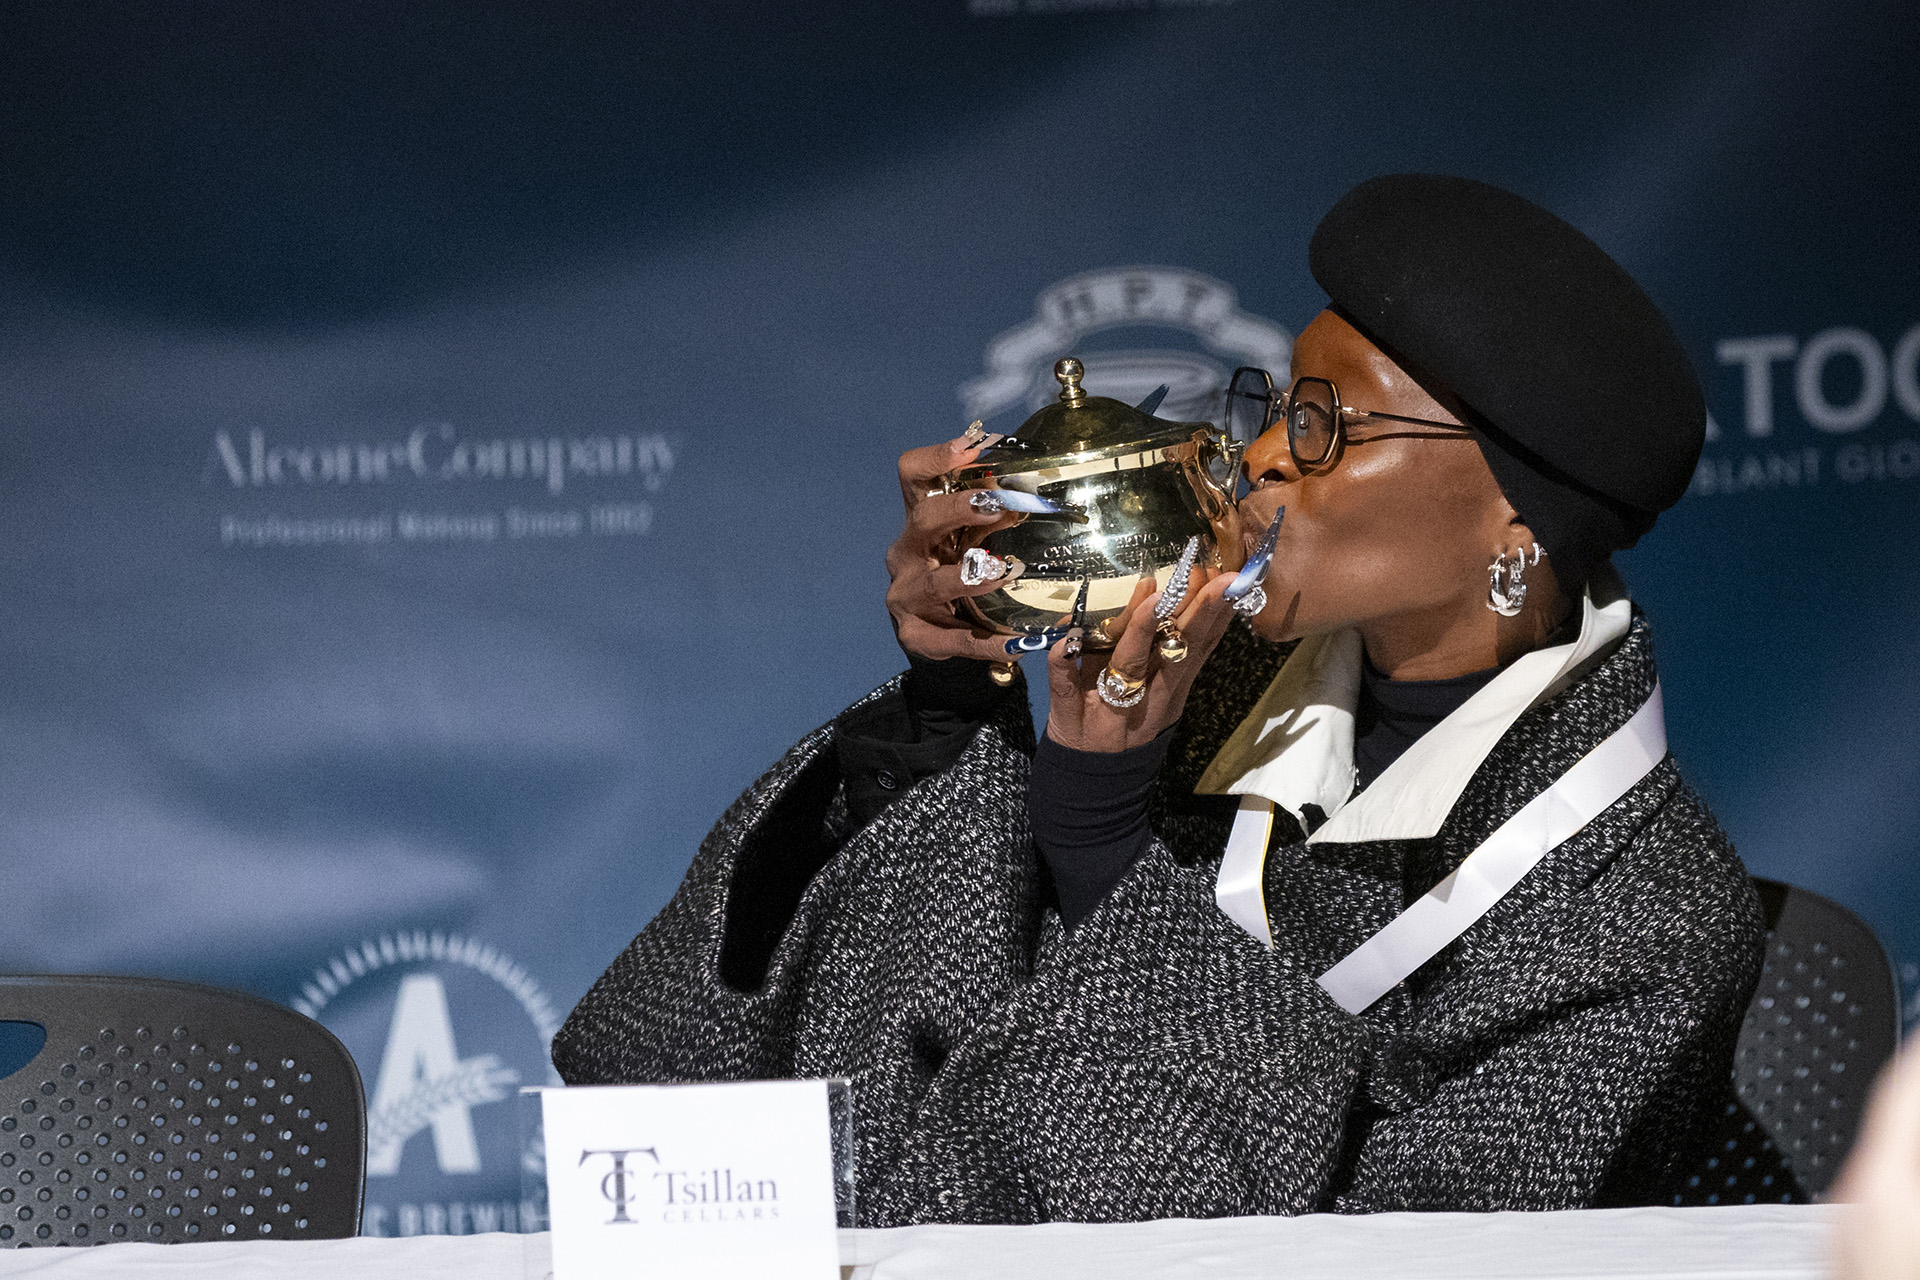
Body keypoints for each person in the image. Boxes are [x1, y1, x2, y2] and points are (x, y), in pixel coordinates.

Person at [552, 174, 1765, 1223]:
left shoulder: (1646, 922)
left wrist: (1105, 849)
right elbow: (921, 1070)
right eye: (1280, 400)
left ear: (1514, 520)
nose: (1266, 457)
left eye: (1325, 422)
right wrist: (957, 703)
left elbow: (1397, 1244)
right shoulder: (1199, 675)